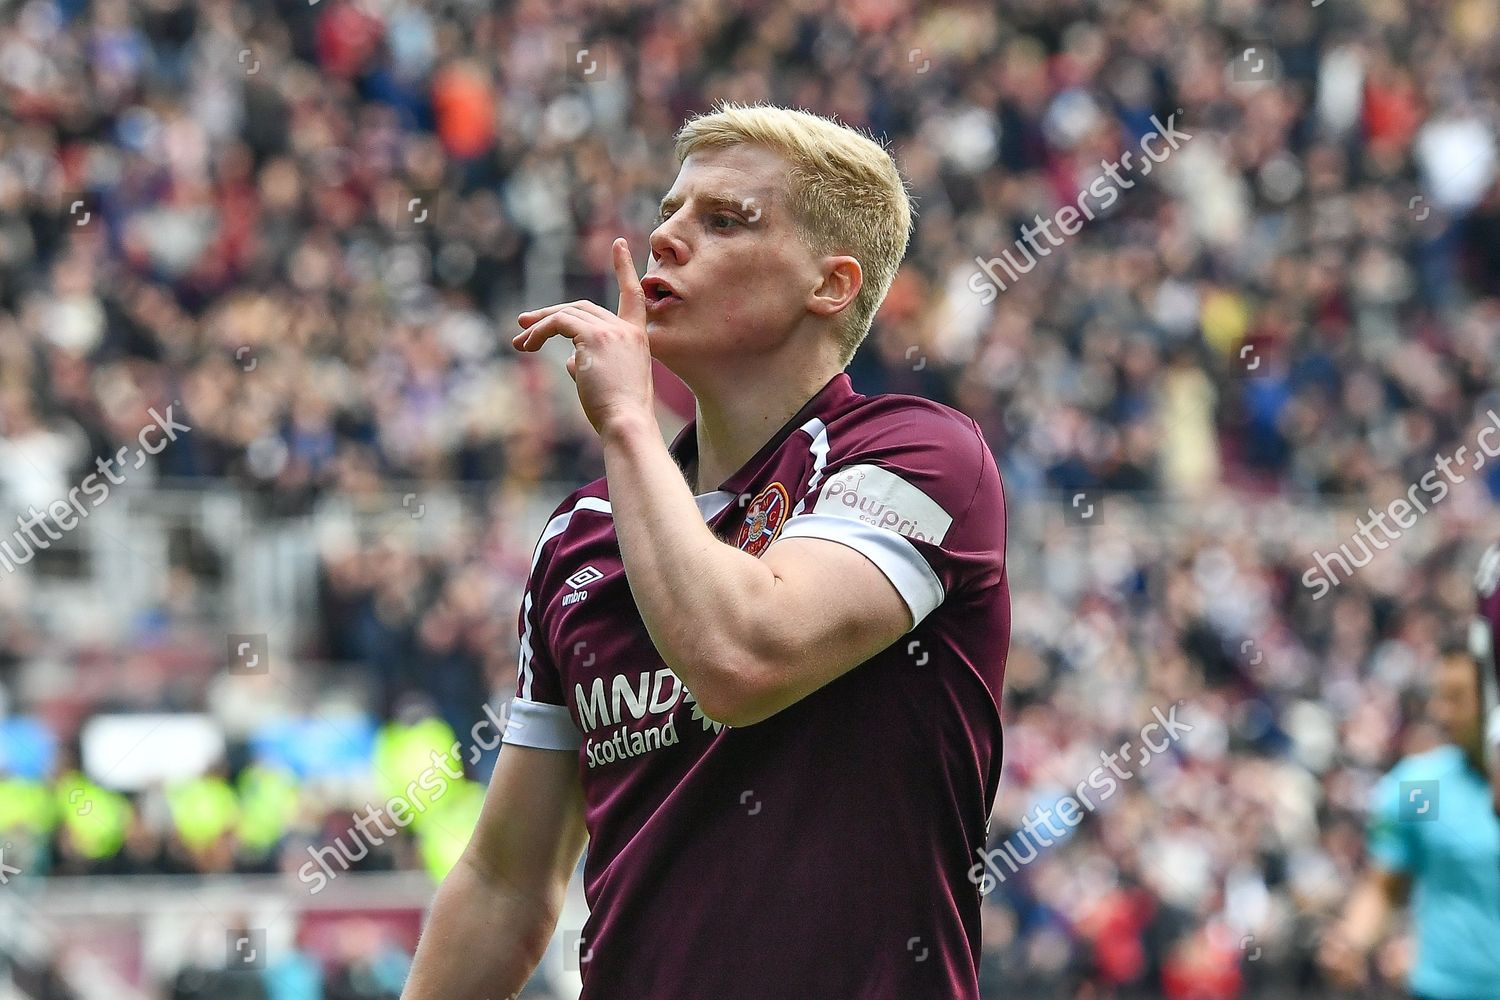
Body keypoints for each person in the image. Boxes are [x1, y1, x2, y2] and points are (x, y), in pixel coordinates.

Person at [401, 102, 1010, 999]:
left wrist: (626, 420)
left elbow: (740, 657)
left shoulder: (921, 454)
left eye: (725, 220)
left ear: (830, 285)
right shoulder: (581, 534)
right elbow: (506, 884)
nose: (665, 238)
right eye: (670, 210)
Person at [1319, 644, 1500, 999]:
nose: (1440, 712)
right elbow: (1384, 887)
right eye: (1440, 696)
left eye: (1457, 697)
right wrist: (1352, 942)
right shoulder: (1422, 787)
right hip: (1441, 991)